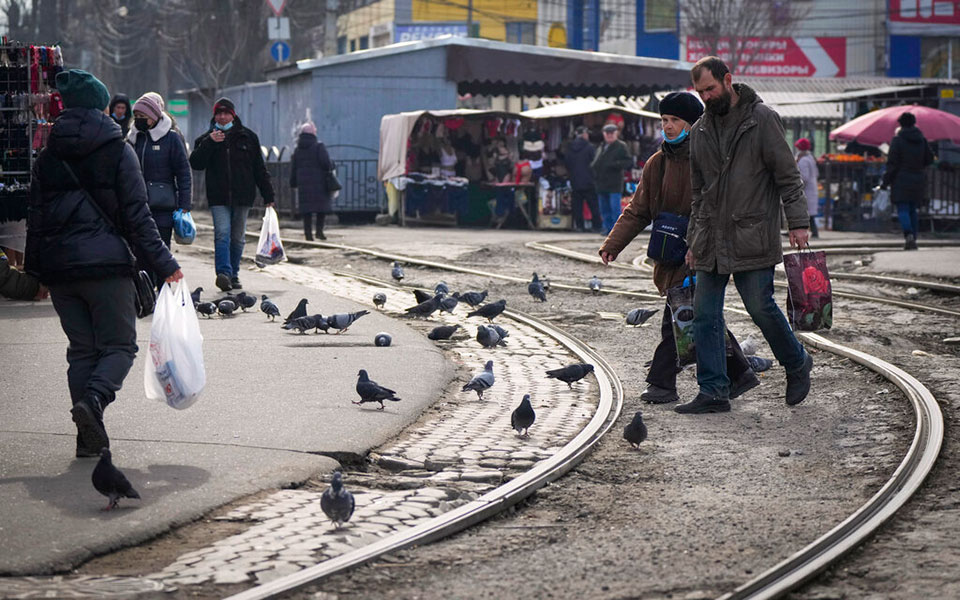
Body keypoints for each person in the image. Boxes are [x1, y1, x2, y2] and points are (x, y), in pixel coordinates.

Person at [24, 69, 182, 457]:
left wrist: (35, 273)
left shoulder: (47, 156)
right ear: (100, 105)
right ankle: (93, 403)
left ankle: (87, 441)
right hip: (107, 268)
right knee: (119, 347)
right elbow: (137, 217)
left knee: (82, 351)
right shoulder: (117, 149)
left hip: (61, 272)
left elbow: (36, 219)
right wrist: (166, 265)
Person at [599, 92, 758, 405]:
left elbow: (722, 205)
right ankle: (739, 372)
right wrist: (613, 244)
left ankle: (662, 383)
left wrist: (704, 243)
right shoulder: (657, 163)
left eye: (674, 120)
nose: (667, 127)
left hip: (702, 250)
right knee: (698, 316)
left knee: (680, 314)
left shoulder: (709, 157)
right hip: (669, 251)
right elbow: (638, 210)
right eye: (664, 120)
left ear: (693, 123)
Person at [682, 56, 813, 414]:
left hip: (751, 233)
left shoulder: (762, 119)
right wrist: (694, 240)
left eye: (710, 88)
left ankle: (797, 362)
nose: (706, 97)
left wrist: (798, 223)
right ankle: (713, 391)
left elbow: (787, 176)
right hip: (710, 238)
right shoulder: (700, 131)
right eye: (700, 92)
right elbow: (698, 194)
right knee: (705, 314)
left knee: (760, 306)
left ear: (727, 80)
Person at [189, 97, 275, 292]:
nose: (222, 116)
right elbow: (196, 163)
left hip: (243, 195)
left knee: (237, 237)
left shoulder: (248, 137)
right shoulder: (205, 139)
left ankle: (234, 274)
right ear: (214, 116)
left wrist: (268, 194)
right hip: (218, 197)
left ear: (233, 115)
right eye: (219, 113)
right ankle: (224, 273)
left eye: (226, 113)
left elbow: (258, 168)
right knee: (222, 234)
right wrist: (209, 143)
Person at [128, 92, 192, 286]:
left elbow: (183, 172)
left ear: (155, 117)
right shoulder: (132, 139)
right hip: (137, 205)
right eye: (136, 117)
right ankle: (146, 293)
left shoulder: (171, 139)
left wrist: (184, 204)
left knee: (161, 250)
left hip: (163, 205)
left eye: (143, 117)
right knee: (139, 253)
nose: (139, 121)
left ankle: (161, 291)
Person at [882, 112, 934, 250]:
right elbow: (929, 159)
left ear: (901, 124)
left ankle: (908, 235)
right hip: (918, 178)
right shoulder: (922, 140)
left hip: (901, 179)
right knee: (913, 209)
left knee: (903, 208)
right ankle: (914, 239)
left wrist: (885, 182)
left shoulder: (897, 140)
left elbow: (892, 163)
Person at [289, 122, 333, 241]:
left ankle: (308, 234)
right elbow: (326, 163)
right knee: (321, 208)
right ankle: (319, 232)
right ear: (313, 132)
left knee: (306, 210)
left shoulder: (298, 149)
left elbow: (294, 167)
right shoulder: (319, 146)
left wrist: (293, 182)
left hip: (303, 184)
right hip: (319, 182)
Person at [591, 123, 633, 235]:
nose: (609, 135)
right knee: (604, 209)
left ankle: (616, 231)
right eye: (607, 133)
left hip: (614, 183)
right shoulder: (602, 146)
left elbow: (628, 162)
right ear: (604, 134)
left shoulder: (621, 146)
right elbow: (596, 162)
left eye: (611, 133)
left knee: (615, 209)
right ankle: (607, 228)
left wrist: (614, 165)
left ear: (616, 133)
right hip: (601, 183)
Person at [565, 126, 602, 232]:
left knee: (577, 205)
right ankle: (597, 226)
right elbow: (595, 163)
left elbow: (567, 163)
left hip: (575, 180)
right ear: (585, 134)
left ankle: (580, 226)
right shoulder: (590, 147)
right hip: (589, 180)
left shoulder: (570, 147)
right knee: (593, 205)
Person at [795, 138, 820, 238]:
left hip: (807, 190)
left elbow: (804, 177)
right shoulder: (810, 158)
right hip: (812, 188)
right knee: (810, 213)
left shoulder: (804, 160)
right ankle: (814, 232)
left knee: (806, 213)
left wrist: (797, 186)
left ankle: (813, 232)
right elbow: (817, 173)